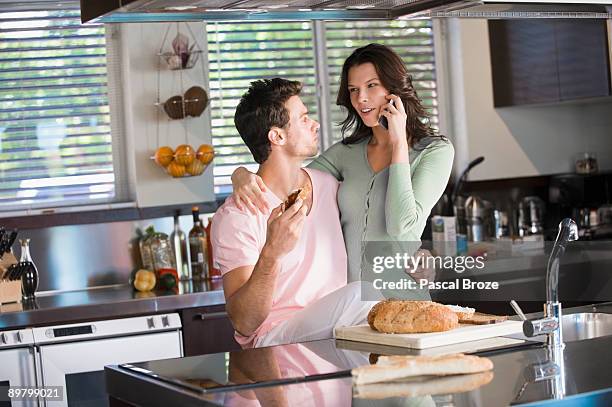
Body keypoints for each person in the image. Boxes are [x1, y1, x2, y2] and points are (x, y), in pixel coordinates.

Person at [231, 43, 454, 289]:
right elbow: (288, 181)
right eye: (353, 90)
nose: (361, 99)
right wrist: (240, 174)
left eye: (371, 86)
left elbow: (400, 226)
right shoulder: (345, 153)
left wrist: (398, 141)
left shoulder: (435, 152)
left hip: (403, 300)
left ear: (394, 88)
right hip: (350, 310)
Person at [210, 78, 381, 349]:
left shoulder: (329, 187)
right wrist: (272, 253)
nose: (315, 124)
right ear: (276, 136)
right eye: (303, 119)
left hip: (334, 336)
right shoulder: (238, 216)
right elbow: (243, 322)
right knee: (362, 294)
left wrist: (411, 261)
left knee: (376, 294)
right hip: (274, 341)